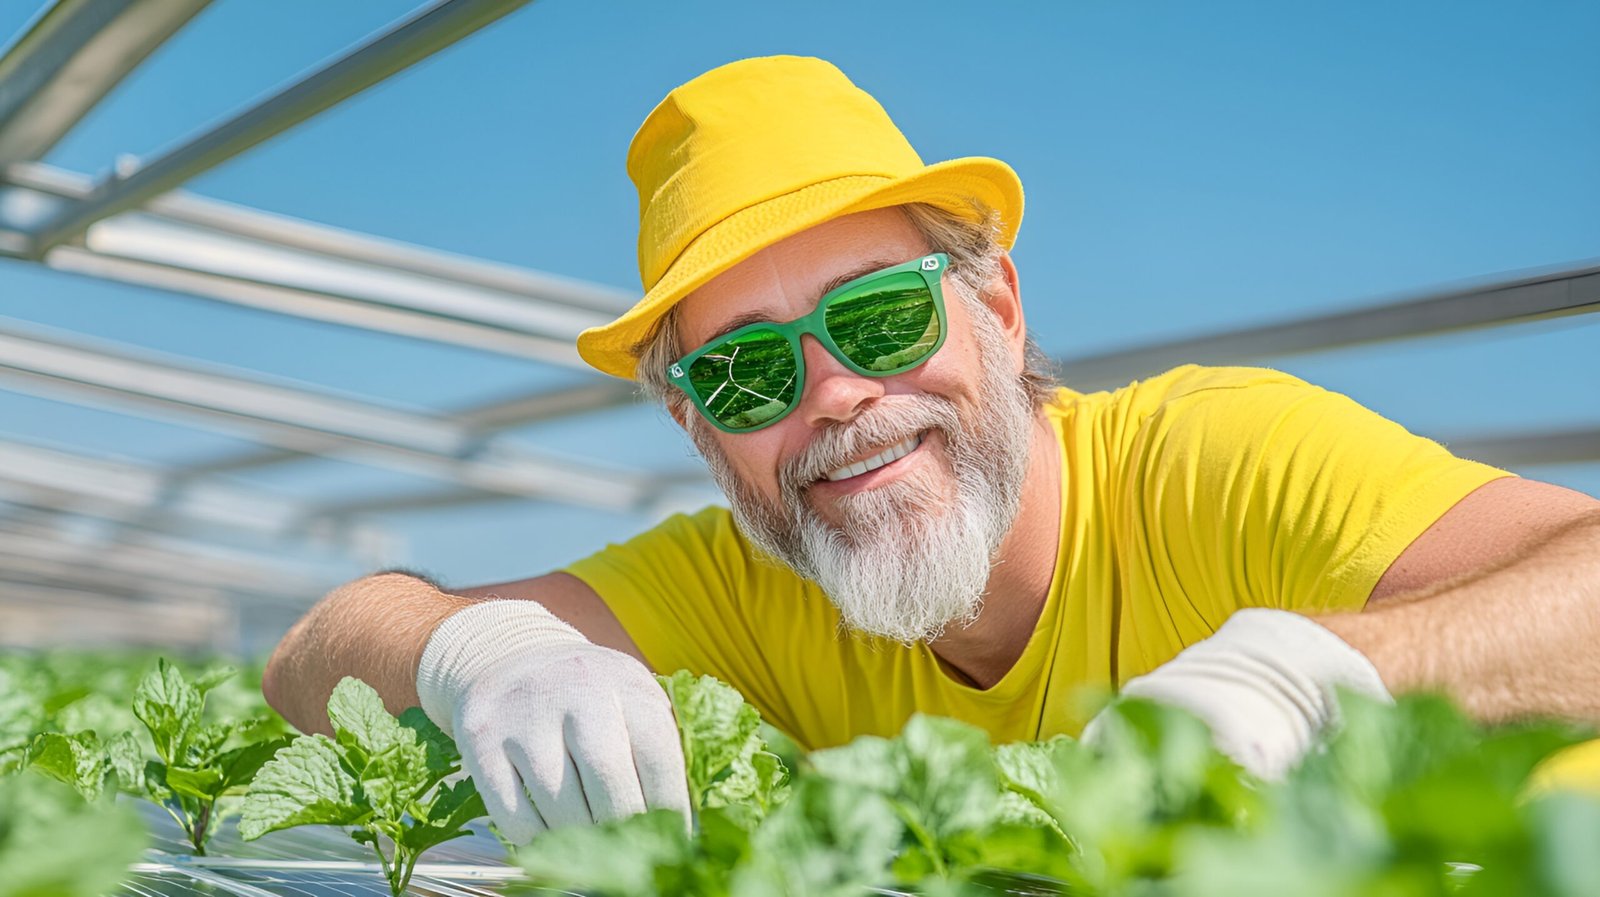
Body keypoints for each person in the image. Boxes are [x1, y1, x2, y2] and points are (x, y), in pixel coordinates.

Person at [261, 56, 1600, 844]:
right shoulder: (743, 587)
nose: (834, 392)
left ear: (1000, 309)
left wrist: (1318, 675)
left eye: (881, 315)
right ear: (699, 428)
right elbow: (316, 652)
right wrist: (470, 648)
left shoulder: (1217, 463)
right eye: (742, 370)